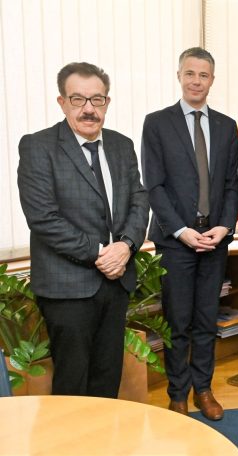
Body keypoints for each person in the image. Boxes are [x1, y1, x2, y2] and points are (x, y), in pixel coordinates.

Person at [17, 62, 149, 397]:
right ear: (62, 102)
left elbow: (139, 200)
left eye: (97, 99)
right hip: (67, 286)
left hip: (116, 282)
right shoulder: (38, 146)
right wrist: (101, 253)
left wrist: (127, 246)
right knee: (72, 382)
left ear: (107, 102)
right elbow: (43, 218)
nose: (88, 109)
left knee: (107, 376)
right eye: (78, 99)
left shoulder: (121, 145)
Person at [141, 47, 238, 420]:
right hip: (176, 242)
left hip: (214, 240)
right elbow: (154, 186)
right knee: (178, 321)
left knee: (206, 319)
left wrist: (224, 227)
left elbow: (232, 184)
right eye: (190, 73)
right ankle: (178, 393)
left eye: (204, 75)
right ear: (179, 76)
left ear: (212, 80)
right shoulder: (157, 123)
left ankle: (203, 389)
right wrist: (181, 230)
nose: (196, 81)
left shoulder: (226, 126)